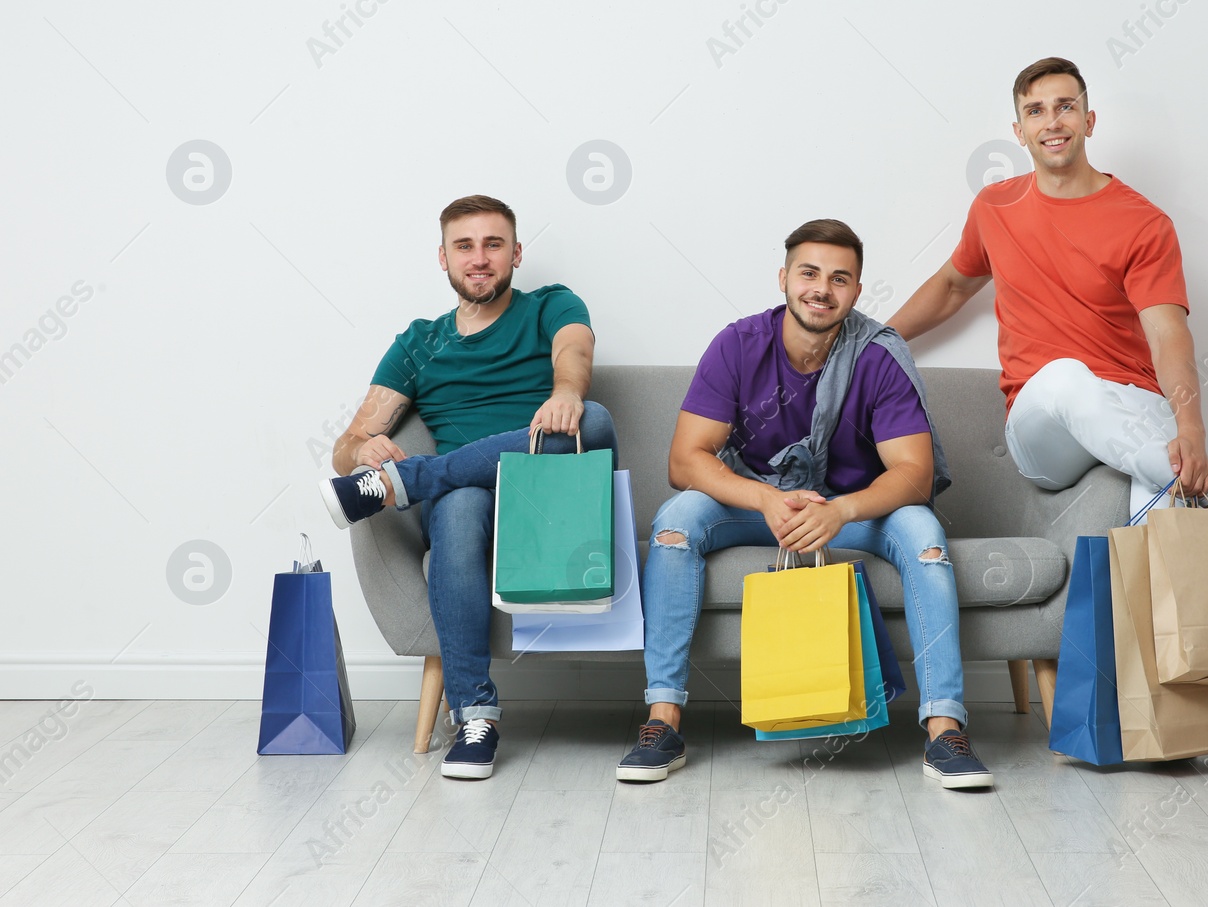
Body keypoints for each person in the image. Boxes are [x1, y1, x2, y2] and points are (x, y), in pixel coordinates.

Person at [889, 57, 1208, 578]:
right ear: (1019, 131)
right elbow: (953, 285)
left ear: (1089, 121)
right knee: (1067, 377)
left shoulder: (1143, 223)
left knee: (1156, 513)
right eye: (1036, 111)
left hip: (1131, 404)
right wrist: (877, 338)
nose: (1052, 122)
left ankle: (1151, 658)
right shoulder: (995, 207)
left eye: (1065, 107)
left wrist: (1191, 429)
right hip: (1042, 428)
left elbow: (1168, 334)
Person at [616, 219, 993, 789]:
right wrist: (765, 498)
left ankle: (945, 731)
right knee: (675, 523)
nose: (822, 288)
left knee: (925, 534)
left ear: (858, 291)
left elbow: (914, 476)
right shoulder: (739, 344)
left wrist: (840, 511)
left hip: (853, 512)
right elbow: (685, 461)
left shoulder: (877, 355)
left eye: (840, 278)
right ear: (784, 278)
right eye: (809, 273)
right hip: (758, 501)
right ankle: (662, 721)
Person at [318, 195, 617, 779]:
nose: (479, 258)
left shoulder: (552, 304)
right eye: (465, 246)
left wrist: (567, 392)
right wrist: (364, 450)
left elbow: (575, 351)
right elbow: (345, 448)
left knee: (596, 418)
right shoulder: (420, 343)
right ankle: (475, 716)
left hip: (548, 481)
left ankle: (408, 481)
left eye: (493, 244)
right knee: (456, 509)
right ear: (444, 257)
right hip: (469, 501)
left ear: (516, 253)